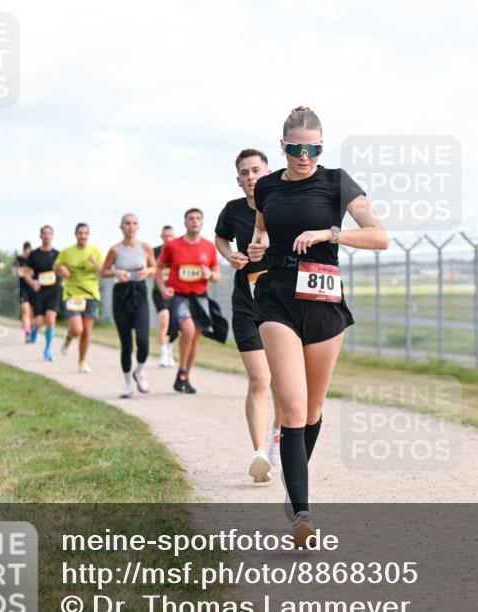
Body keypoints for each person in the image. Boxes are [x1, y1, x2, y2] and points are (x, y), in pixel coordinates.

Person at [247, 106, 388, 546]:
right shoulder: (267, 187)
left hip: (324, 300)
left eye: (313, 148)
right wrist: (257, 248)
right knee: (291, 406)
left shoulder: (337, 181)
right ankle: (302, 517)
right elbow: (262, 232)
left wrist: (331, 233)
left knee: (311, 411)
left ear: (321, 148)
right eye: (296, 148)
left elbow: (378, 236)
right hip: (277, 299)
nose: (304, 155)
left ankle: (294, 483)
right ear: (283, 147)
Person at [215, 148, 284, 483]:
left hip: (285, 303)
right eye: (245, 172)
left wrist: (269, 243)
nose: (251, 176)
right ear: (238, 179)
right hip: (247, 302)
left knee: (284, 384)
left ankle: (276, 438)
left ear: (268, 172)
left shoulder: (285, 203)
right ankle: (259, 453)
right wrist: (230, 255)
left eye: (256, 169)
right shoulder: (232, 210)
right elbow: (221, 238)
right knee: (260, 379)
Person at [156, 209, 222, 394]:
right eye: (191, 218)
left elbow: (217, 275)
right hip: (179, 296)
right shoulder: (173, 245)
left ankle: (184, 377)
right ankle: (182, 370)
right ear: (185, 223)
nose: (195, 221)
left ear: (202, 223)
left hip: (200, 297)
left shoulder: (209, 247)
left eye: (198, 218)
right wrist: (162, 288)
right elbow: (159, 268)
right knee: (188, 329)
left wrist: (210, 274)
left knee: (195, 338)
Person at [101, 213, 155, 398]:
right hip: (121, 294)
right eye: (127, 223)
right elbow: (104, 271)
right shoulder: (115, 250)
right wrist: (116, 272)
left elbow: (155, 269)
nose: (130, 227)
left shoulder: (146, 248)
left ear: (138, 227)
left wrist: (147, 270)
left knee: (143, 341)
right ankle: (126, 384)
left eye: (134, 223)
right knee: (126, 343)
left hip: (139, 293)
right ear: (121, 227)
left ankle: (139, 371)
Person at [55, 222, 103, 373]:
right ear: (75, 234)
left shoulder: (95, 250)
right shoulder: (67, 252)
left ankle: (82, 361)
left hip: (91, 294)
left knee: (87, 331)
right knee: (77, 329)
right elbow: (55, 267)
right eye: (80, 233)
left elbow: (103, 272)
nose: (83, 236)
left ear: (88, 235)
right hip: (72, 294)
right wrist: (61, 269)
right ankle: (69, 336)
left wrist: (95, 262)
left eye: (85, 233)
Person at [24, 225, 61, 361]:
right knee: (39, 322)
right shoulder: (34, 254)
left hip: (53, 291)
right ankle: (34, 329)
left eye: (49, 233)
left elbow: (63, 270)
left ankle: (48, 350)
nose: (46, 236)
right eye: (44, 233)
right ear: (40, 236)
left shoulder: (58, 254)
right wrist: (33, 283)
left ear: (52, 236)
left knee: (51, 319)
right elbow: (26, 273)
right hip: (39, 292)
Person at [152, 225, 176, 368]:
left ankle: (170, 352)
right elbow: (151, 268)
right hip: (159, 291)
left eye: (170, 236)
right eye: (165, 236)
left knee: (173, 324)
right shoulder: (155, 251)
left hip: (175, 292)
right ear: (161, 237)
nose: (168, 238)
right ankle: (162, 353)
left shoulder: (179, 251)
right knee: (163, 320)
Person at [13, 242, 34, 342]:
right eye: (25, 250)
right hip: (23, 288)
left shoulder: (34, 259)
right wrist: (21, 272)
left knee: (32, 313)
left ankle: (31, 328)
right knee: (25, 311)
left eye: (29, 250)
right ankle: (27, 333)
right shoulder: (18, 259)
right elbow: (14, 273)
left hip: (34, 289)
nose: (27, 252)